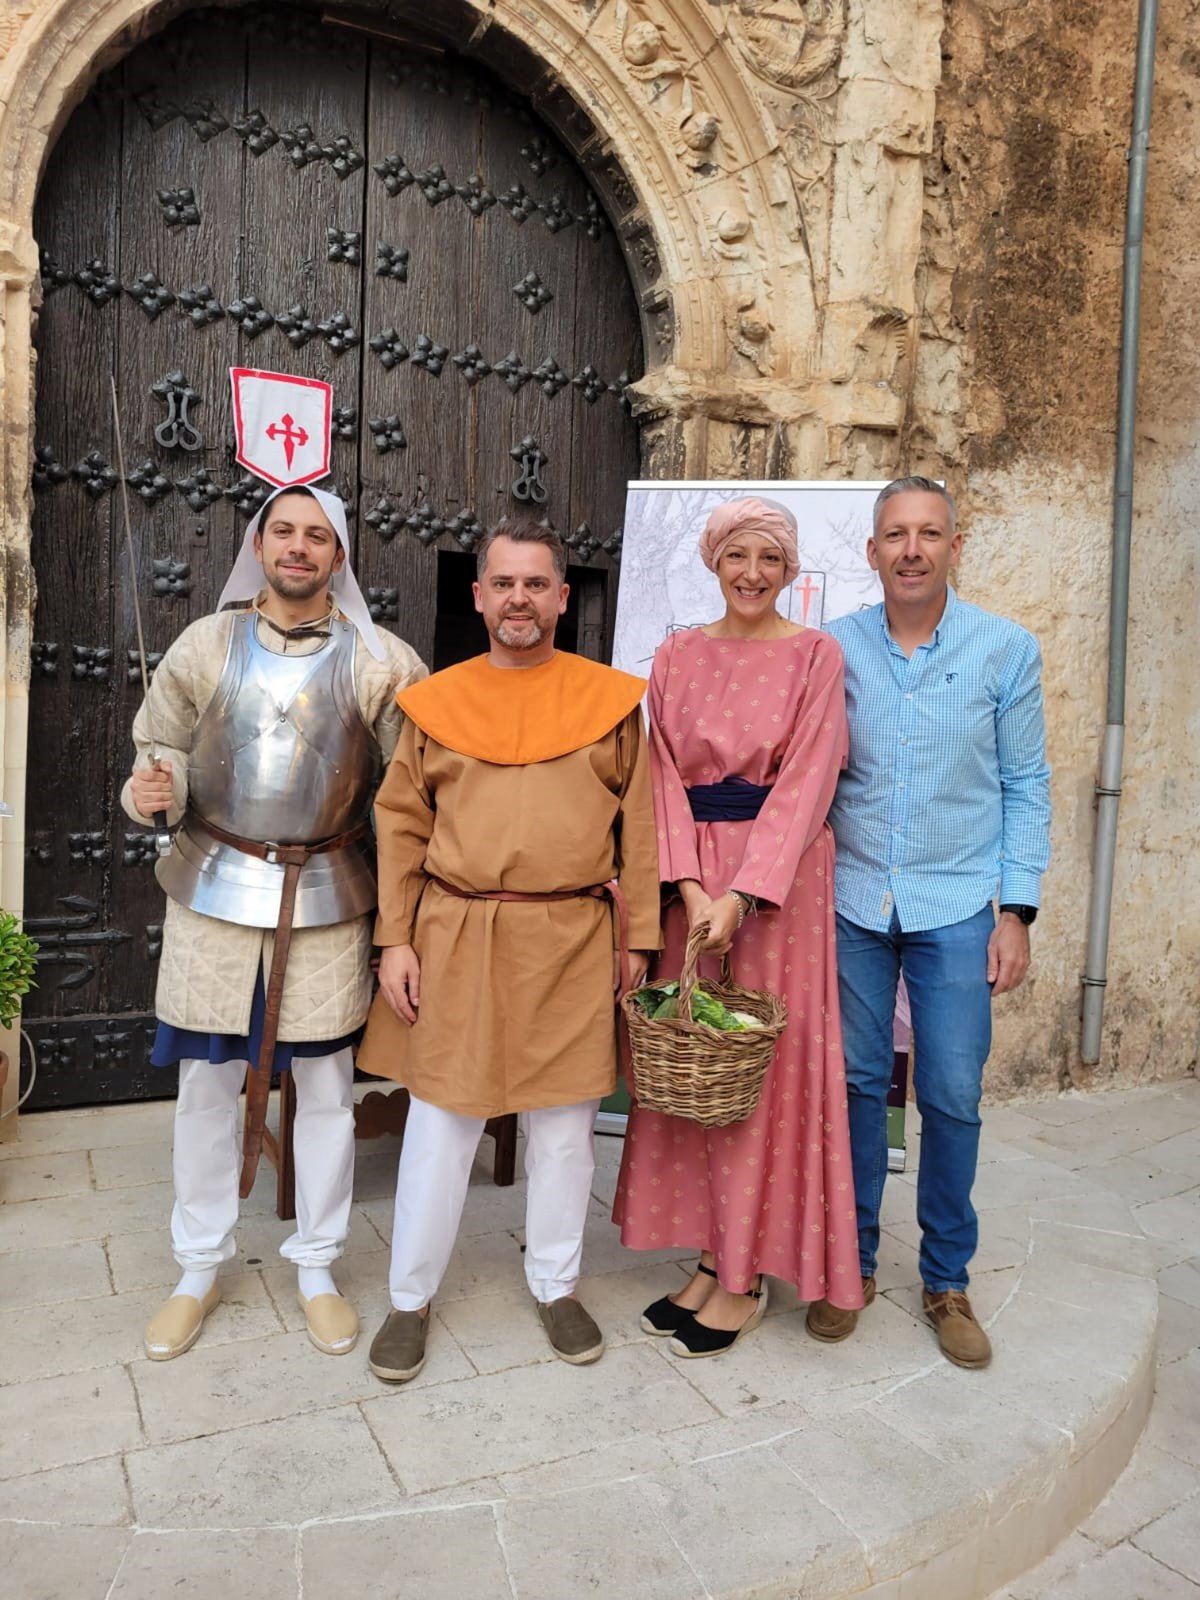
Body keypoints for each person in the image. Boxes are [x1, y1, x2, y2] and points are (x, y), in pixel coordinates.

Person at [124, 484, 425, 1362]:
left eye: (317, 536)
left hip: (329, 894)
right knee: (206, 1088)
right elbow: (158, 761)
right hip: (214, 893)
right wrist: (151, 790)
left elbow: (411, 793)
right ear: (258, 546)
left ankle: (319, 1265)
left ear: (338, 555)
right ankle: (197, 1267)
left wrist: (407, 917)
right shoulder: (204, 645)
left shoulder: (383, 661)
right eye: (283, 531)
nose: (299, 547)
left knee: (326, 1092)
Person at [359, 515, 661, 1384]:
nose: (518, 599)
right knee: (440, 1125)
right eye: (504, 584)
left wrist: (639, 937)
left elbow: (640, 827)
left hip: (573, 938)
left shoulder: (612, 703)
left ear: (563, 598)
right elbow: (402, 825)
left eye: (535, 584)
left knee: (564, 1131)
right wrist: (394, 939)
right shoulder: (437, 704)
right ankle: (410, 1298)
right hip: (455, 933)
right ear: (478, 596)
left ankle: (557, 1285)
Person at [613, 495, 863, 1358]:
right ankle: (712, 1253)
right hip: (692, 882)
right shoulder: (676, 654)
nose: (751, 573)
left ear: (790, 570)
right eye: (736, 556)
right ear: (713, 563)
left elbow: (809, 779)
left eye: (769, 558)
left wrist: (743, 894)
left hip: (779, 889)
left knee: (761, 1076)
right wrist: (689, 889)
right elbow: (659, 778)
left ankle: (745, 1277)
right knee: (697, 1069)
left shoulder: (816, 655)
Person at [810, 475, 1051, 1369]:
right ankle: (853, 1262)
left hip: (956, 906)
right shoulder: (832, 649)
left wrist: (1016, 911)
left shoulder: (1005, 650)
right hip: (853, 900)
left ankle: (947, 1279)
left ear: (955, 545)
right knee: (854, 1084)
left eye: (930, 533)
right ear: (871, 550)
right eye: (896, 535)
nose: (912, 550)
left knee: (950, 1091)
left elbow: (1026, 784)